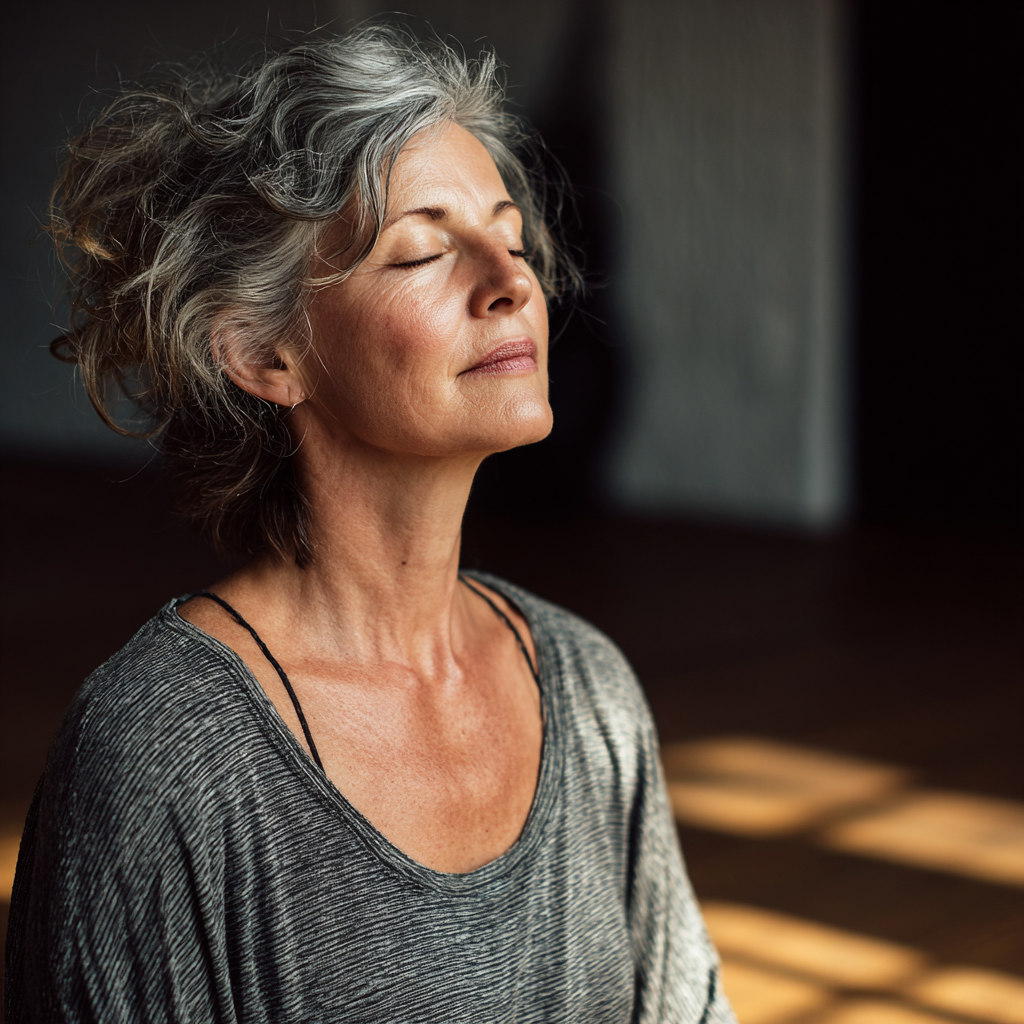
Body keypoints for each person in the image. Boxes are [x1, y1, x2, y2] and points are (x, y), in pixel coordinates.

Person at [6, 25, 735, 1024]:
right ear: (263, 352)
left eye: (511, 238)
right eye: (424, 250)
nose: (511, 280)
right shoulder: (159, 755)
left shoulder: (589, 687)